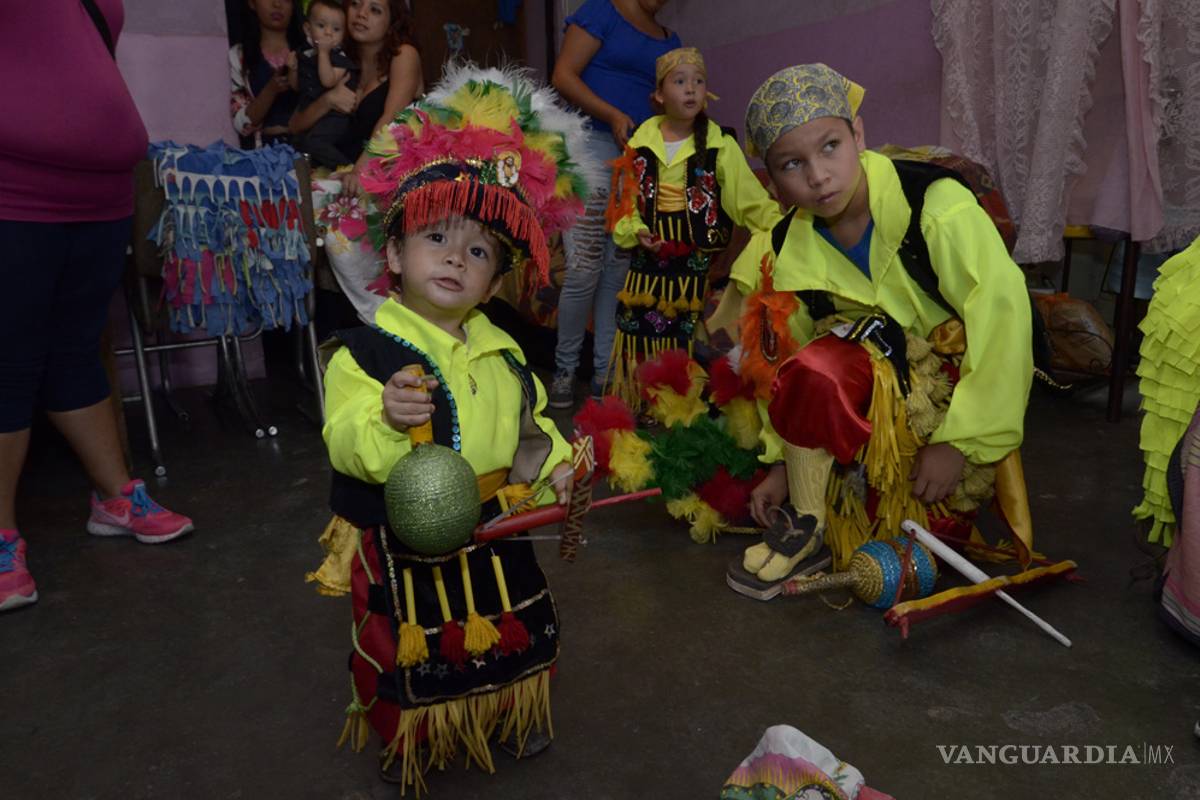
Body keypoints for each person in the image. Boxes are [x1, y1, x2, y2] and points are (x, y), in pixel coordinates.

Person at [308, 63, 597, 790]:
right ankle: (414, 738)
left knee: (513, 627)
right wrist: (382, 416)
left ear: (494, 282)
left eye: (477, 252)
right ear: (395, 256)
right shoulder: (362, 353)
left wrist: (560, 467)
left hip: (499, 529)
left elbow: (533, 431)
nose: (454, 257)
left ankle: (508, 710)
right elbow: (343, 439)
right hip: (406, 543)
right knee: (416, 649)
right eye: (435, 237)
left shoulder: (505, 354)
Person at [730, 64, 1033, 584]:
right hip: (865, 394)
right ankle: (811, 519)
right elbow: (785, 367)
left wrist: (959, 442)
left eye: (830, 146)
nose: (818, 176)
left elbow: (1004, 320)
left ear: (859, 135)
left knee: (917, 547)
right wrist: (783, 462)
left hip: (949, 400)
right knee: (818, 363)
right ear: (772, 181)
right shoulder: (784, 247)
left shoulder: (935, 208)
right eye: (791, 164)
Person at [0, 0, 194, 613]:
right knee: (10, 358)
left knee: (78, 347)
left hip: (100, 194)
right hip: (16, 190)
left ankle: (114, 498)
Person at [604, 47, 780, 407]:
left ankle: (684, 407)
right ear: (658, 95)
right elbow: (624, 201)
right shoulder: (640, 142)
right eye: (680, 81)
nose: (691, 89)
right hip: (647, 261)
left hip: (692, 263)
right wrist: (636, 229)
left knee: (682, 333)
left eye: (699, 82)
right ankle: (644, 402)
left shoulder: (720, 145)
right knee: (638, 331)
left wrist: (785, 229)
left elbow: (749, 202)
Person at [547, 0, 680, 408]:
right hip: (590, 147)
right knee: (585, 268)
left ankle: (605, 373)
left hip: (638, 164)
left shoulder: (670, 40)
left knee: (616, 272)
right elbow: (563, 77)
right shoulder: (600, 11)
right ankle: (565, 371)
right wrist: (613, 114)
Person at [290, 0, 424, 189]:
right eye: (355, 4)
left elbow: (392, 120)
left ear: (392, 22)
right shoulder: (337, 57)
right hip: (337, 176)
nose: (361, 13)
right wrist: (328, 101)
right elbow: (295, 125)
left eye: (375, 10)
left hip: (388, 179)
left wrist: (357, 172)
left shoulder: (403, 55)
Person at [291, 0, 359, 168]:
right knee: (299, 143)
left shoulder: (339, 58)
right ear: (308, 29)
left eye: (336, 29)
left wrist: (323, 53)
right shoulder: (306, 55)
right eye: (321, 26)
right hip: (314, 112)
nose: (329, 33)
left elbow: (327, 80)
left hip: (336, 116)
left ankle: (346, 167)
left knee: (315, 143)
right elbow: (296, 86)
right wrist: (292, 68)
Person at [229, 0, 305, 149]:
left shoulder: (310, 52)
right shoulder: (239, 56)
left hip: (308, 154)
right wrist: (271, 90)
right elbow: (241, 124)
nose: (277, 4)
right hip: (262, 156)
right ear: (251, 3)